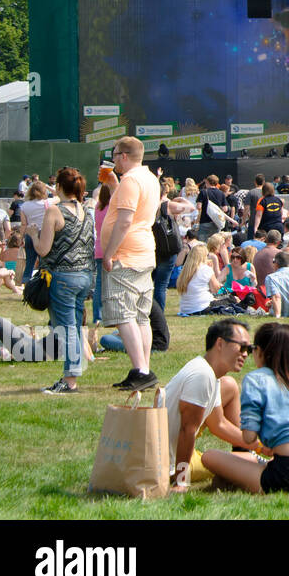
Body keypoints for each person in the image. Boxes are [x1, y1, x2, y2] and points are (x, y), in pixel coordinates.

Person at [201, 323, 289, 494]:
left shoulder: (255, 380)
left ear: (260, 351)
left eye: (251, 349)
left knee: (209, 456)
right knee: (245, 460)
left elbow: (249, 436)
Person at [163, 319, 262, 492]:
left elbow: (219, 424)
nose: (246, 354)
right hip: (165, 463)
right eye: (242, 347)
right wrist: (181, 482)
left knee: (232, 461)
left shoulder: (209, 373)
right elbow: (187, 430)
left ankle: (254, 457)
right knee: (223, 464)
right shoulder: (203, 375)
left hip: (172, 455)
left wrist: (259, 445)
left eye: (249, 349)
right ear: (220, 343)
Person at [22, 167, 96, 394]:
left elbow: (43, 250)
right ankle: (73, 372)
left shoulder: (54, 211)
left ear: (60, 187)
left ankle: (70, 379)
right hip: (84, 276)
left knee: (66, 329)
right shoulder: (85, 211)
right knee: (72, 325)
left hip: (62, 277)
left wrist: (33, 234)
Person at [100, 136, 163, 391]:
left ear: (124, 156)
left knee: (123, 314)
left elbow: (125, 220)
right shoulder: (149, 178)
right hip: (145, 251)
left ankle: (140, 370)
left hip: (126, 254)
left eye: (115, 154)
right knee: (140, 316)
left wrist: (109, 253)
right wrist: (115, 186)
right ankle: (144, 368)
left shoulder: (131, 180)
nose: (113, 159)